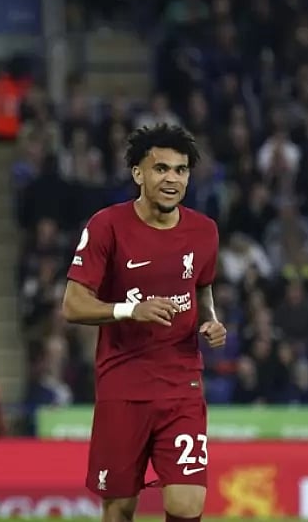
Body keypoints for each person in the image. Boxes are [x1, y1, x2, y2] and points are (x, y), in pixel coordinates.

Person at [61, 124, 228, 522]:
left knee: (187, 504)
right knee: (119, 506)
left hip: (182, 385)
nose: (172, 179)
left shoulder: (204, 231)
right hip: (123, 385)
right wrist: (128, 310)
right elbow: (73, 305)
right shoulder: (107, 225)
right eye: (161, 169)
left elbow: (201, 286)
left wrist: (210, 320)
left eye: (181, 170)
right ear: (138, 173)